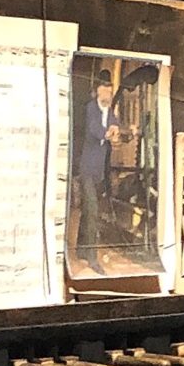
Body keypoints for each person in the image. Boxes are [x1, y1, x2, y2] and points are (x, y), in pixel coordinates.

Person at [74, 65, 116, 270]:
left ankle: (81, 249)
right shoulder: (91, 107)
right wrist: (107, 133)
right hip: (87, 168)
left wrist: (116, 128)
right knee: (92, 211)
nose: (108, 93)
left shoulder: (109, 110)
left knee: (88, 210)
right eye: (105, 89)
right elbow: (94, 129)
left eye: (110, 89)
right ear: (98, 90)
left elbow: (114, 123)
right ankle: (92, 257)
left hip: (99, 170)